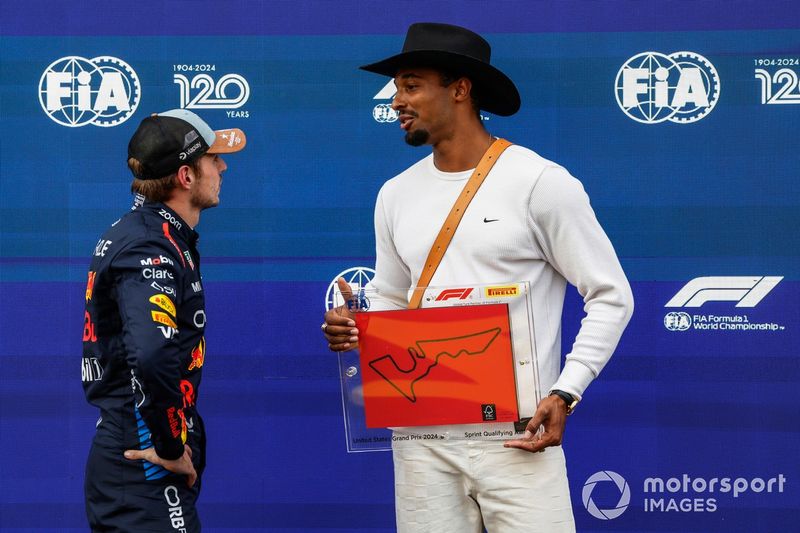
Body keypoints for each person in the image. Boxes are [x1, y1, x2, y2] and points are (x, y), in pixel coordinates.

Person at [323, 22, 633, 532]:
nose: (397, 100)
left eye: (412, 84)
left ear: (460, 89)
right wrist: (357, 327)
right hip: (421, 437)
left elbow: (611, 295)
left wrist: (566, 392)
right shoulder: (395, 194)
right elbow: (392, 300)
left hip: (518, 437)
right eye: (397, 87)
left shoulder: (539, 183)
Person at [82, 109, 246, 531]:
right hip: (145, 460)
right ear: (186, 176)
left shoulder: (151, 233)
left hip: (138, 453)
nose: (223, 166)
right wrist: (171, 445)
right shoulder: (148, 245)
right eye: (213, 159)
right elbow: (152, 354)